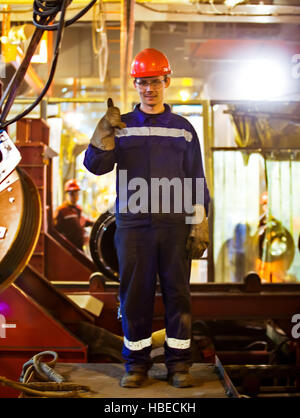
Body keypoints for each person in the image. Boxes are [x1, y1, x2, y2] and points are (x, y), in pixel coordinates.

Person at [84, 48, 210, 388]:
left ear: (166, 81)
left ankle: (178, 365)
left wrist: (199, 221)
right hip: (134, 225)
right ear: (135, 85)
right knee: (134, 296)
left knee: (178, 295)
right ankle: (135, 365)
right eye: (142, 83)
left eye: (154, 82)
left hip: (173, 225)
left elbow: (195, 177)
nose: (148, 89)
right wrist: (102, 134)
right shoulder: (121, 126)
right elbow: (95, 166)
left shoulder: (183, 129)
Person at [53, 179, 94, 251]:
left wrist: (95, 223)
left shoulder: (78, 209)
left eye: (76, 193)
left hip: (79, 248)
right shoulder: (61, 210)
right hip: (68, 250)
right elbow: (55, 231)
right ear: (66, 195)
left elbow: (82, 222)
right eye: (72, 194)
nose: (75, 196)